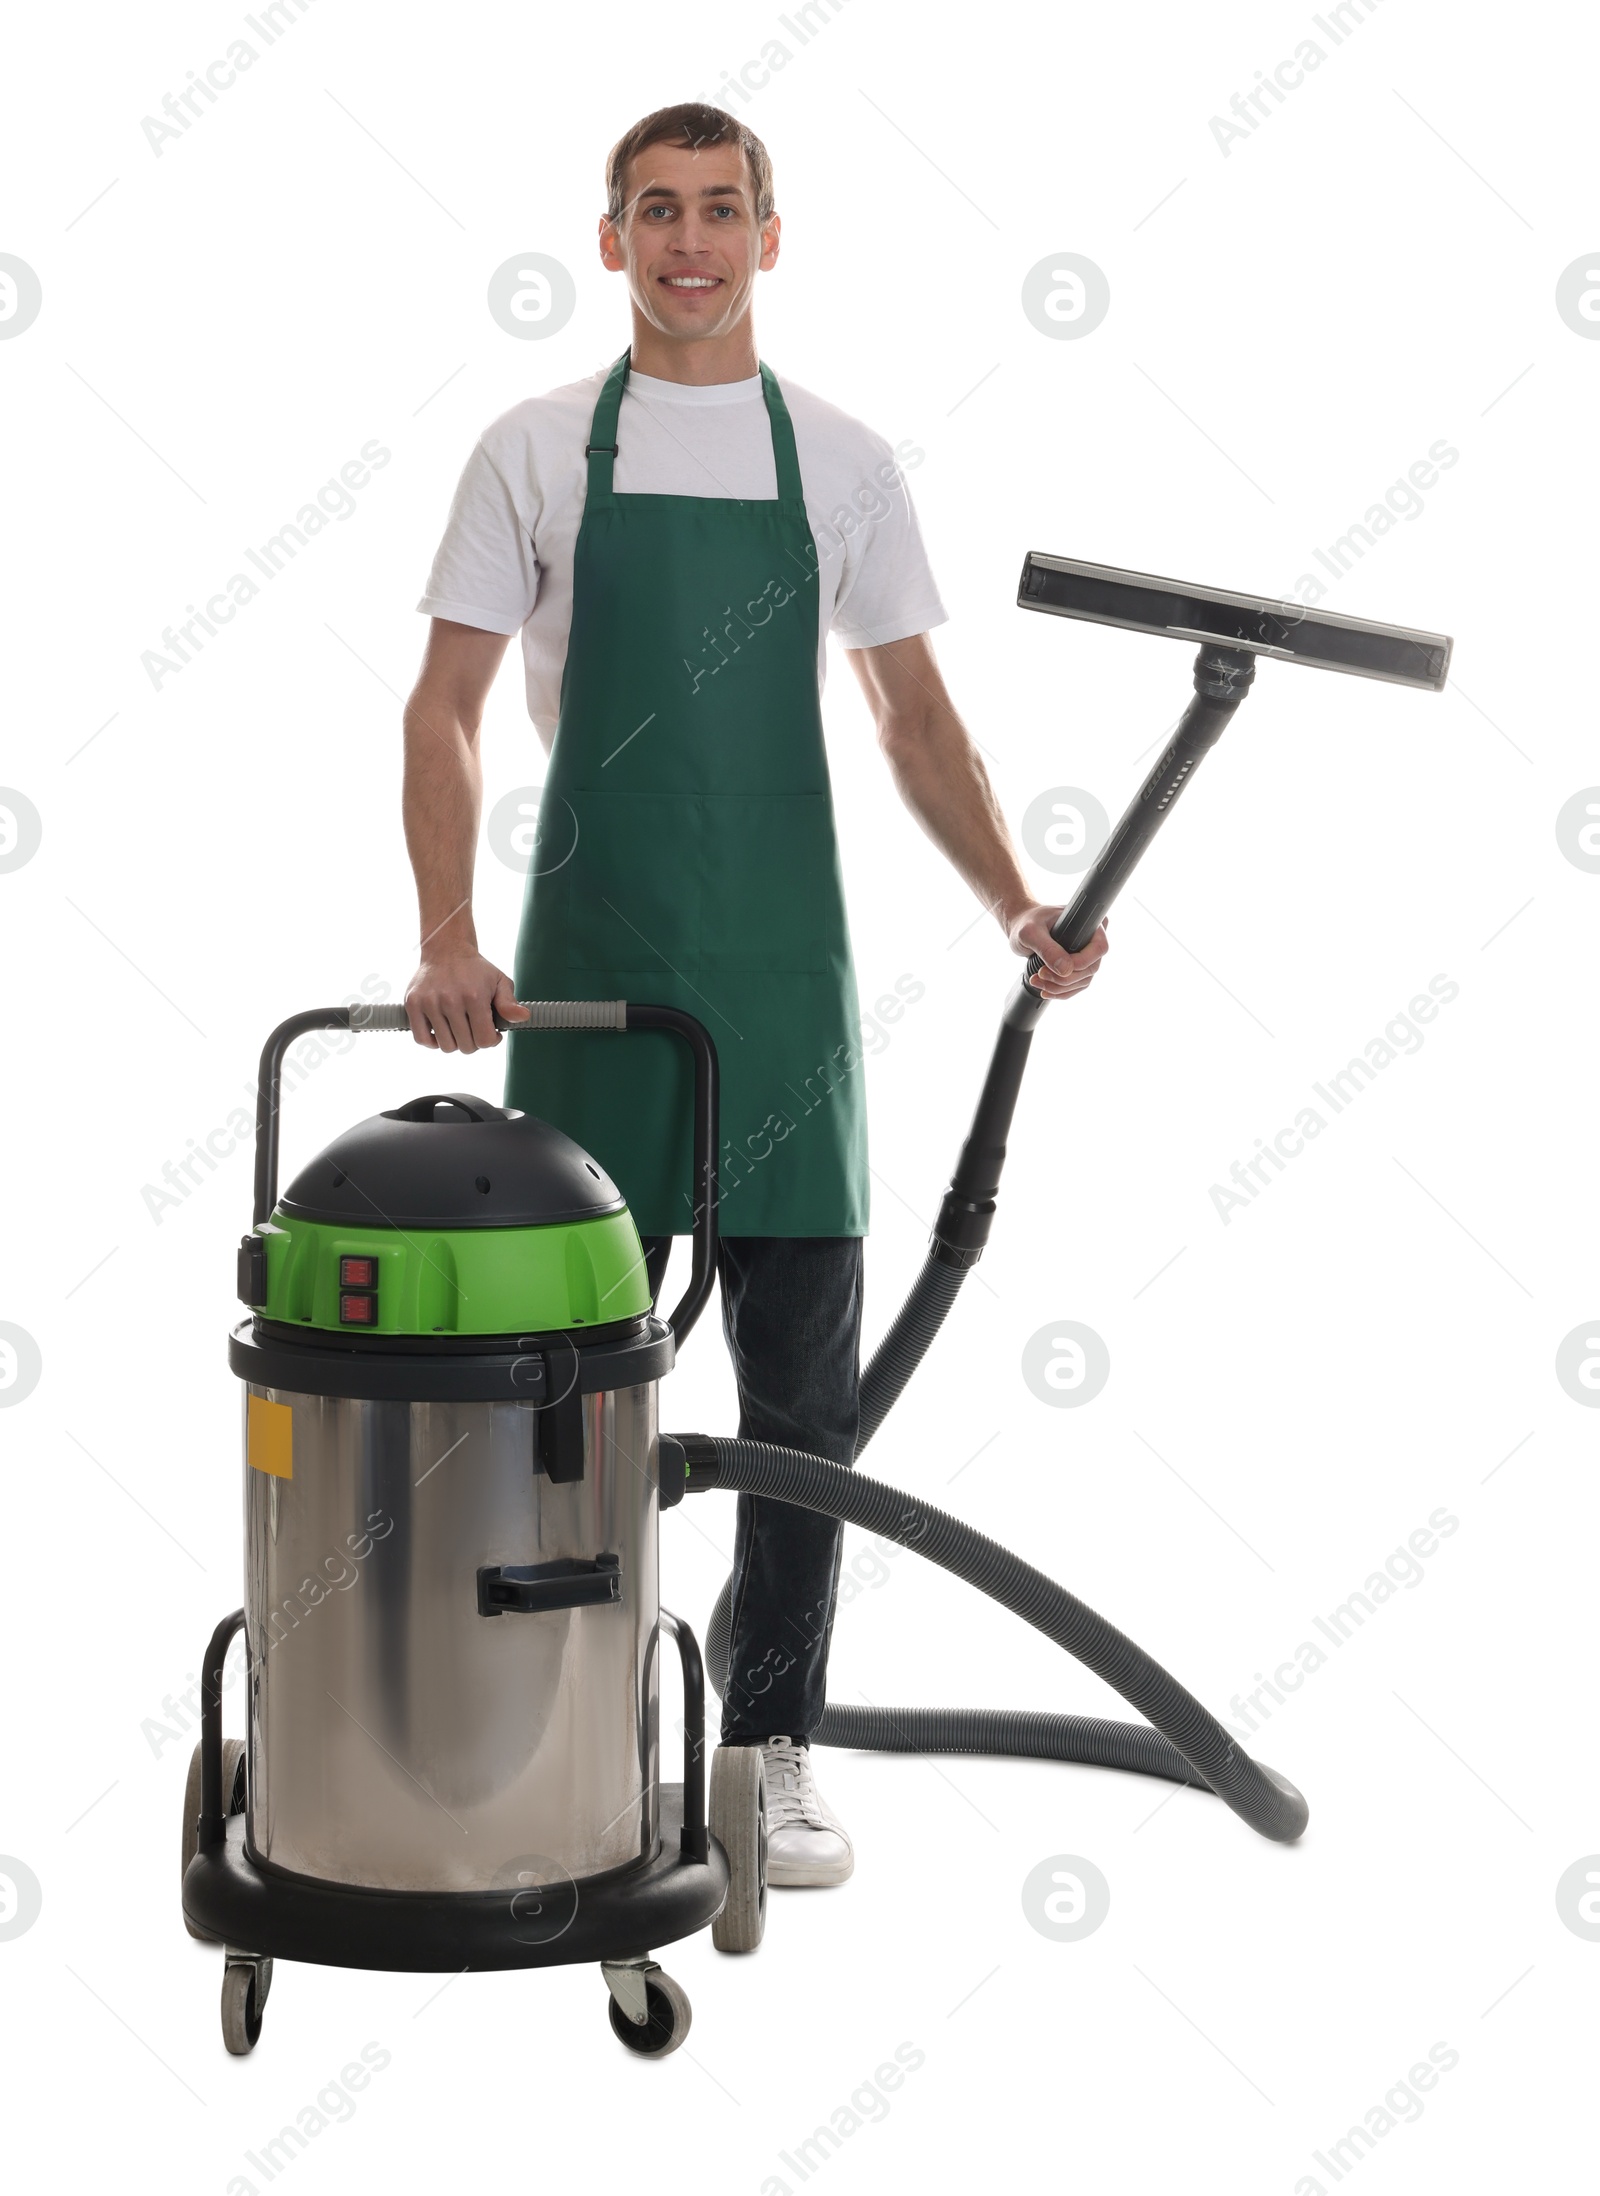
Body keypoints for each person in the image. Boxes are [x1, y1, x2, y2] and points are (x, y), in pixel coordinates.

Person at [402, 101, 1108, 1888]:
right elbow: (444, 710)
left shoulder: (847, 461)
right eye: (658, 211)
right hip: (586, 986)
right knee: (557, 1379)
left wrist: (1019, 897)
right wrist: (442, 938)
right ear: (614, 236)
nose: (691, 242)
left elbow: (911, 719)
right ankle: (531, 1718)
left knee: (804, 1407)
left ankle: (771, 1743)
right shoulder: (540, 449)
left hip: (785, 983)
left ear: (769, 237)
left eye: (723, 210)